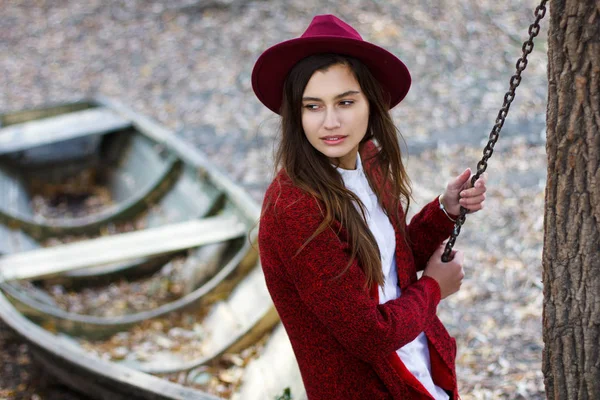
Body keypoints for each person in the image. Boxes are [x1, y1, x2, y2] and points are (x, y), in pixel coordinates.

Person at [252, 14, 487, 400]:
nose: (330, 122)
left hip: (417, 368)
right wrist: (433, 288)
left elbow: (390, 264)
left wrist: (444, 211)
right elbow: (367, 335)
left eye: (345, 102)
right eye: (313, 106)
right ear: (296, 113)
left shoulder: (370, 159)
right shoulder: (293, 208)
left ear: (371, 103)